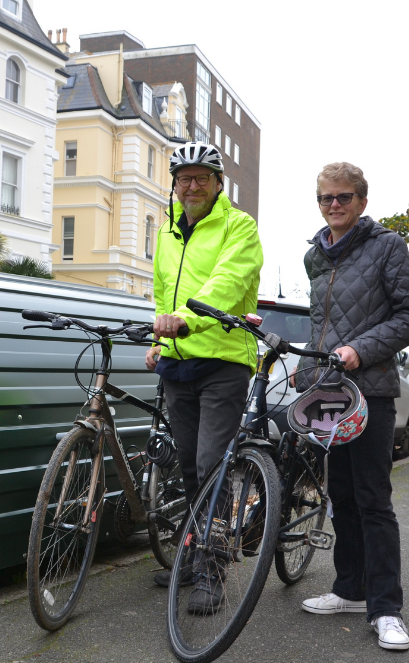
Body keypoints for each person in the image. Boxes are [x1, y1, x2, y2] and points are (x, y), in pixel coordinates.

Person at [295, 162, 409, 650]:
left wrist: (362, 349)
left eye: (344, 197)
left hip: (369, 390)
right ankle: (349, 589)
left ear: (362, 202)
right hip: (328, 393)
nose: (334, 205)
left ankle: (386, 607)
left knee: (373, 500)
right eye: (326, 198)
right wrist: (309, 370)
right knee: (341, 496)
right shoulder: (315, 255)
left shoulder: (387, 246)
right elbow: (320, 327)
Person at [144, 141, 263, 613]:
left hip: (223, 361)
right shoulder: (169, 231)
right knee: (190, 468)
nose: (191, 186)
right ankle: (194, 555)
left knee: (213, 465)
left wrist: (187, 317)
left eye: (201, 178)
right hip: (178, 363)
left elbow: (230, 282)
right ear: (174, 185)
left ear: (218, 184)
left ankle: (212, 572)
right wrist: (161, 335)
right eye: (183, 179)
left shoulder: (239, 226)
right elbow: (158, 291)